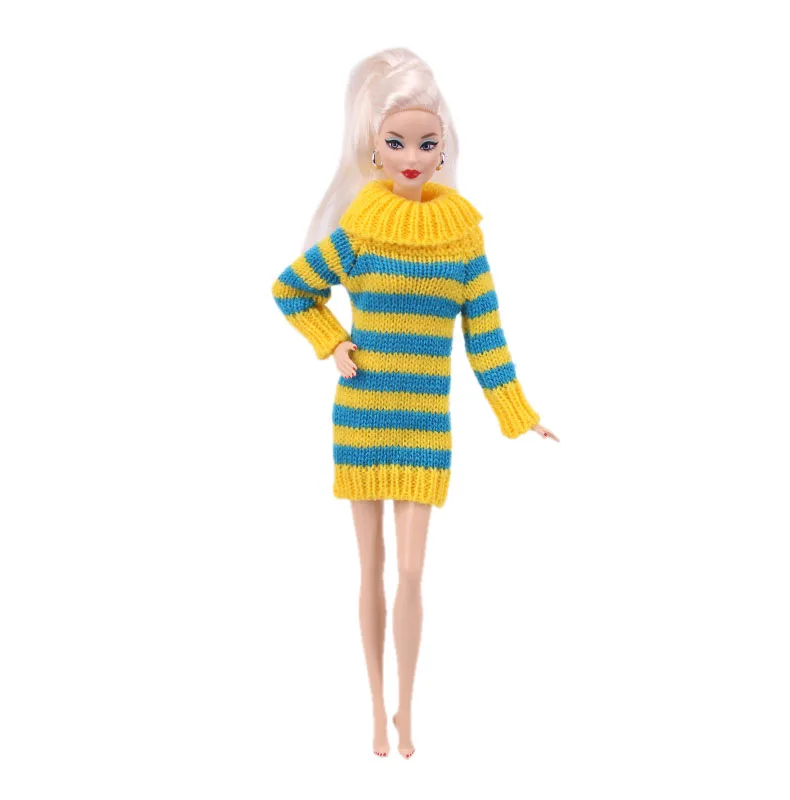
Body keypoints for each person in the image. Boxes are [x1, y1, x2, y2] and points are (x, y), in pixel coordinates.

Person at [272, 47, 559, 759]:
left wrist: (518, 413)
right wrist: (333, 341)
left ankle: (408, 709)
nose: (411, 156)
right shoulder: (359, 232)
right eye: (396, 142)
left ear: (443, 148)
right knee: (369, 569)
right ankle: (377, 709)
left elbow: (486, 337)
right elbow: (291, 289)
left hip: (426, 425)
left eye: (427, 143)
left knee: (410, 573)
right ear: (373, 148)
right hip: (362, 416)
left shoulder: (462, 240)